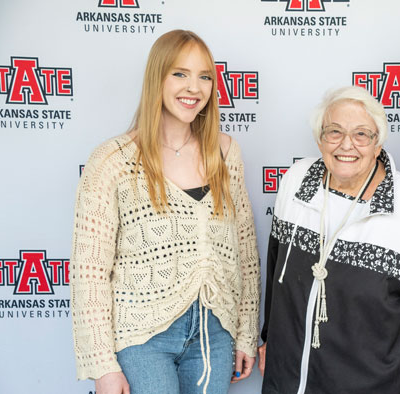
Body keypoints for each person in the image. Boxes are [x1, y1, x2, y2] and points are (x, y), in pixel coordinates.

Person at [70, 30, 260, 394]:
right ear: (157, 77)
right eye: (180, 73)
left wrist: (246, 333)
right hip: (142, 338)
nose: (194, 87)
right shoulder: (113, 161)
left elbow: (245, 253)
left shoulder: (225, 153)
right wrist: (102, 365)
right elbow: (89, 271)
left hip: (213, 334)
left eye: (205, 76)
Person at [257, 86, 400, 394]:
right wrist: (270, 338)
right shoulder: (295, 181)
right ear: (320, 139)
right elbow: (276, 272)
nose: (346, 145)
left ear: (378, 144)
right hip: (288, 380)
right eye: (334, 132)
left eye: (362, 134)